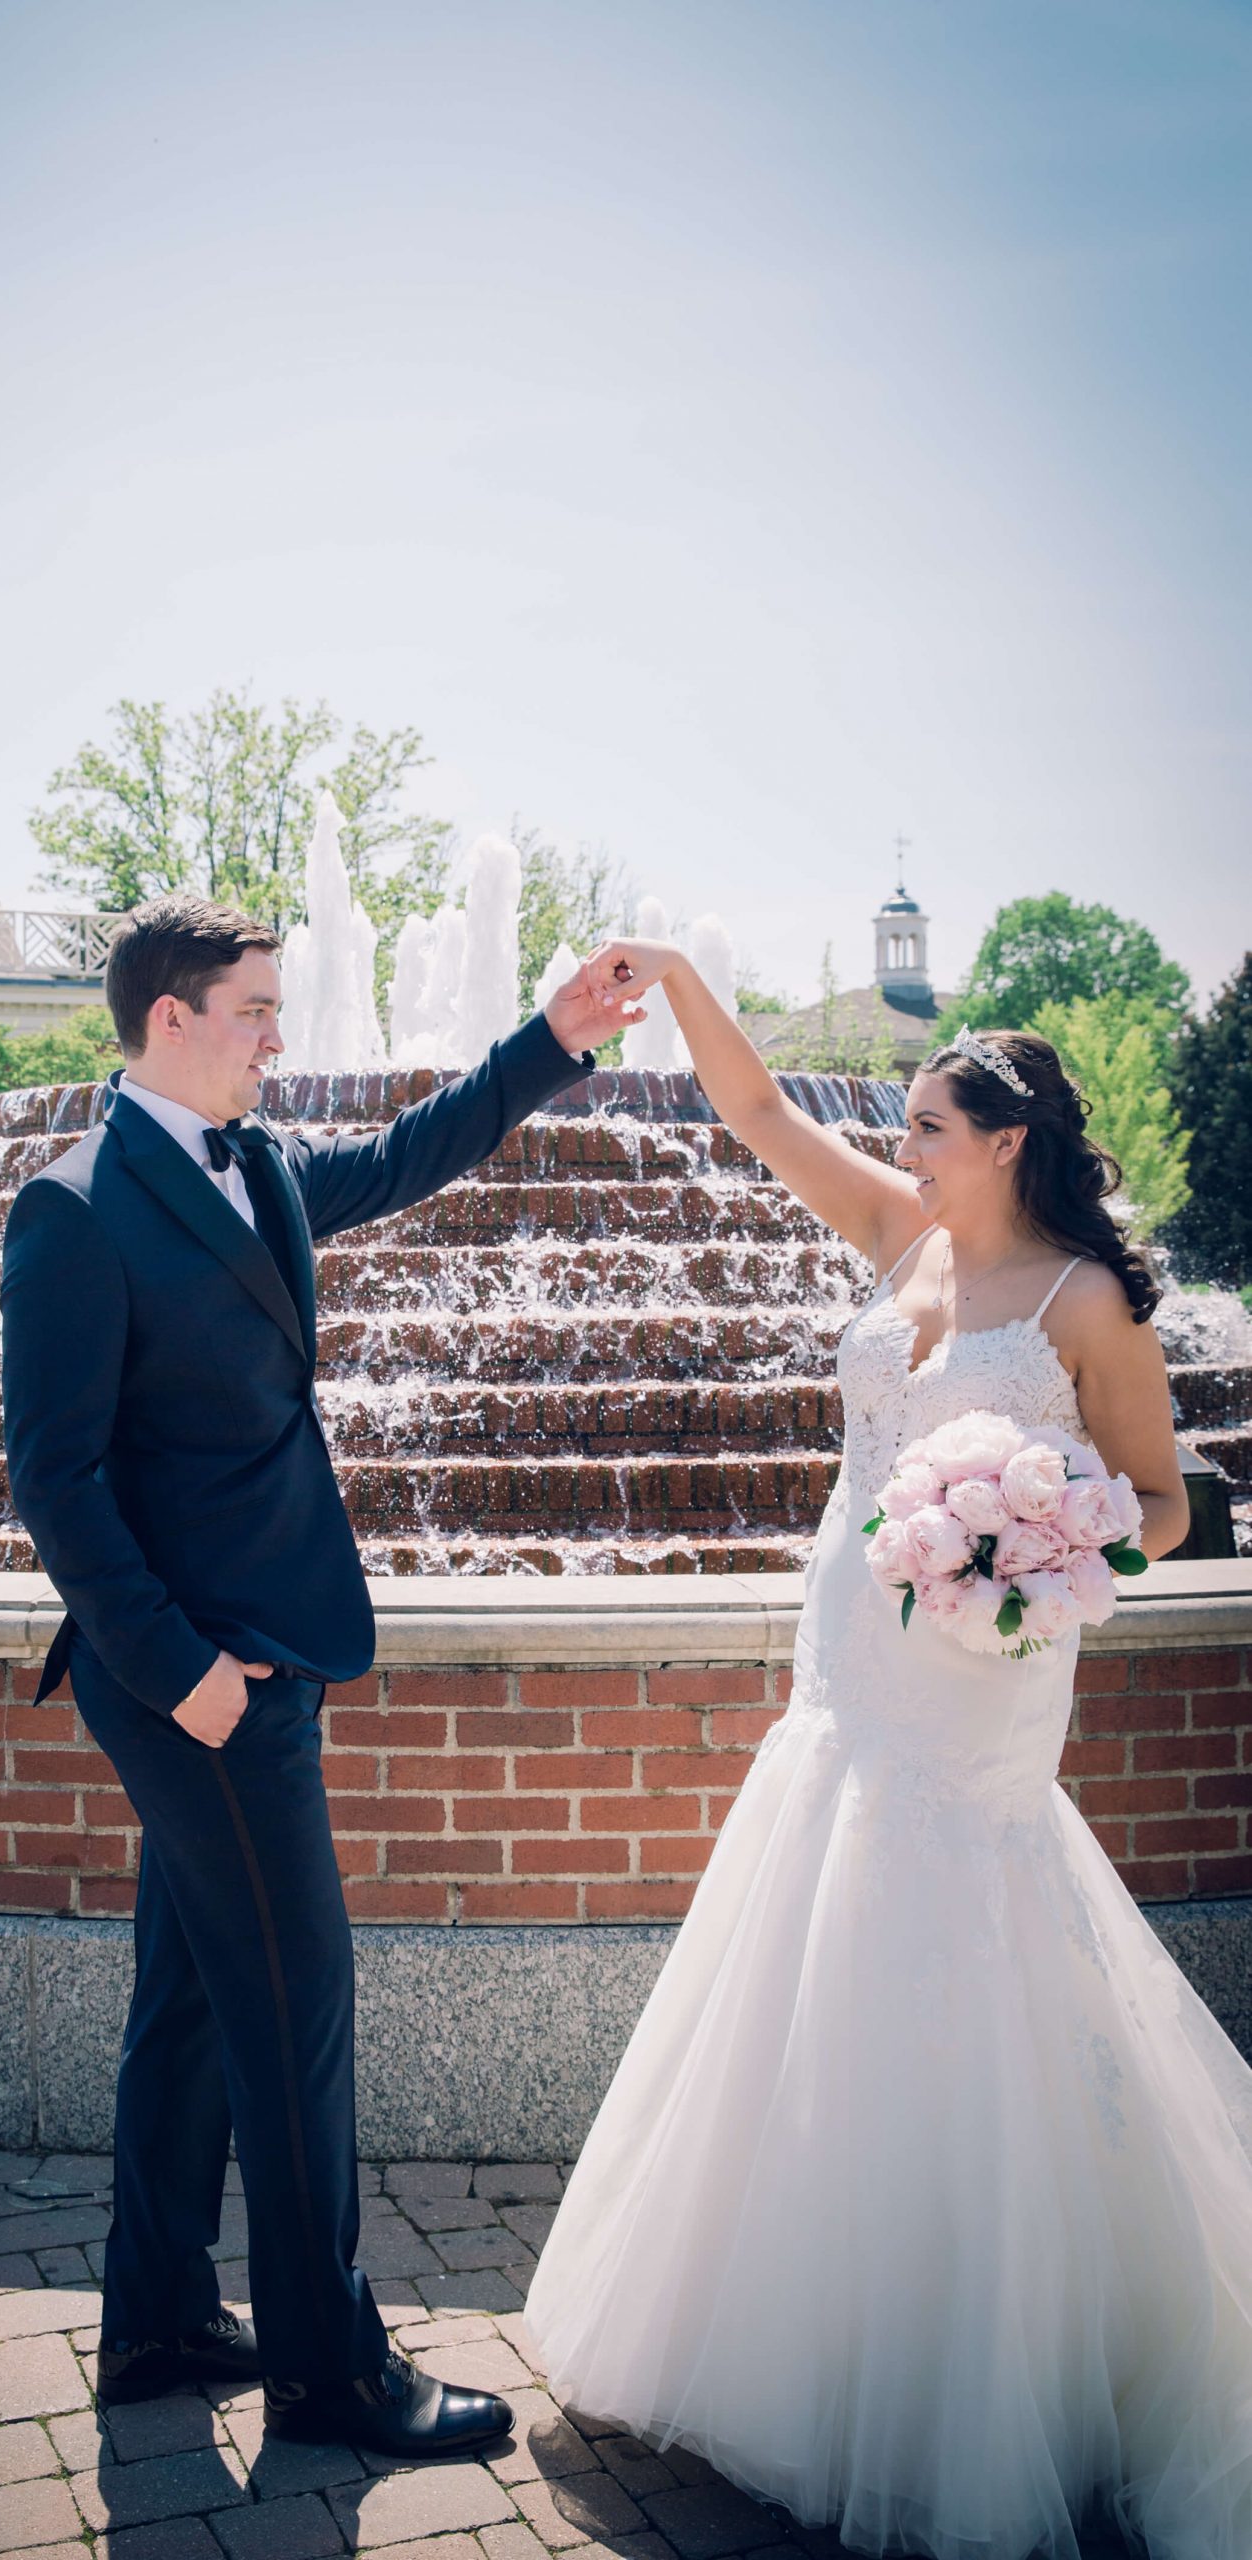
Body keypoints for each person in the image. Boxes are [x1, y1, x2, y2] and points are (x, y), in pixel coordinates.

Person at [525, 935, 1252, 2560]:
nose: (902, 1144)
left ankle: (977, 2352)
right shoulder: (895, 1228)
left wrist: (1050, 1558)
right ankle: (801, 2321)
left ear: (1004, 1140)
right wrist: (688, 977)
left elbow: (1163, 1500)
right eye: (908, 1124)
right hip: (850, 1641)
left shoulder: (1086, 1301)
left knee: (964, 1934)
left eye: (928, 1124)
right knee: (819, 1904)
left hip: (987, 1666)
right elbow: (758, 1107)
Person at [0, 893, 633, 2459]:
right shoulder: (74, 1209)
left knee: (198, 2010)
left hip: (259, 1662)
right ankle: (331, 2369)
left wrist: (549, 1039)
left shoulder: (262, 1169)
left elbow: (416, 1152)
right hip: (204, 1687)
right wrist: (188, 1674)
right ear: (169, 1017)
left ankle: (153, 2318)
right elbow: (56, 1479)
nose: (284, 1034)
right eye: (256, 1009)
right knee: (298, 2011)